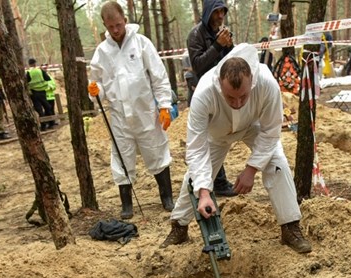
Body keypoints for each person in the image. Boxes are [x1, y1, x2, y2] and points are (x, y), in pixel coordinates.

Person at [159, 44, 312, 254]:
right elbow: (196, 147)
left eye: (243, 96)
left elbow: (271, 132)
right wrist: (204, 192)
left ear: (252, 82)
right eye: (230, 97)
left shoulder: (267, 85)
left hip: (252, 126)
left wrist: (251, 169)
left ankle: (290, 226)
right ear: (220, 84)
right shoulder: (204, 92)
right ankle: (179, 226)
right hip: (218, 133)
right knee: (193, 179)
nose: (238, 103)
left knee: (278, 163)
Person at [88, 1, 175, 220]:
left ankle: (166, 197)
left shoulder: (142, 43)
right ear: (105, 26)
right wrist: (94, 90)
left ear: (125, 20)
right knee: (121, 155)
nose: (116, 30)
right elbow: (97, 86)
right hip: (119, 116)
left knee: (156, 150)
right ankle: (126, 203)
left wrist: (164, 105)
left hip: (145, 111)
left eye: (118, 25)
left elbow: (158, 76)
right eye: (111, 27)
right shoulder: (102, 52)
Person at [187, 0, 237, 197]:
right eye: (216, 12)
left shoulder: (222, 32)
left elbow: (232, 63)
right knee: (205, 141)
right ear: (208, 13)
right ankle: (215, 182)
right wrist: (218, 45)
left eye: (222, 12)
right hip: (203, 94)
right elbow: (198, 66)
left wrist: (230, 47)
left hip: (221, 92)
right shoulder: (195, 35)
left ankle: (218, 181)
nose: (220, 16)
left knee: (218, 136)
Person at [26, 58, 54, 130]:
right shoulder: (40, 70)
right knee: (47, 107)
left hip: (34, 93)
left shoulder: (28, 72)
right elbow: (48, 78)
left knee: (39, 110)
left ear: (29, 64)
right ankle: (51, 123)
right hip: (42, 92)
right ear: (35, 63)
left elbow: (26, 82)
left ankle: (43, 126)